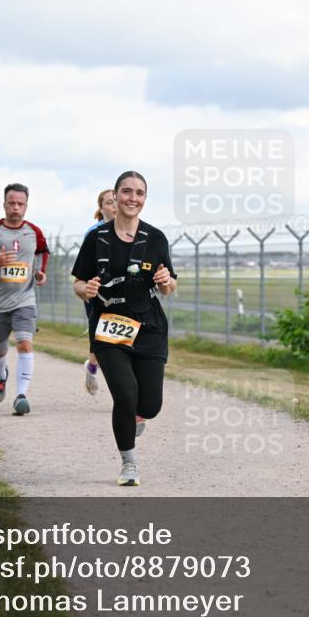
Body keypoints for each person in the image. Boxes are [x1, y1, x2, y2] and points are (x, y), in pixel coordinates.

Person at [71, 171, 177, 486]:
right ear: (114, 197)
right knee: (126, 394)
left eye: (139, 193)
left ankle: (137, 417)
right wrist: (85, 289)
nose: (133, 198)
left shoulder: (155, 238)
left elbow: (170, 285)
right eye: (127, 192)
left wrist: (165, 282)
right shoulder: (97, 237)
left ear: (144, 199)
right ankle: (128, 463)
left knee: (150, 405)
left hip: (149, 326)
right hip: (109, 326)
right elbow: (78, 282)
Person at [0, 183, 49, 415]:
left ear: (26, 206)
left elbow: (43, 251)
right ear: (4, 204)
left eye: (20, 204)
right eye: (11, 203)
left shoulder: (34, 231)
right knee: (0, 349)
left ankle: (21, 395)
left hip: (24, 299)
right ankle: (1, 374)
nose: (15, 208)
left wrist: (40, 271)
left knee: (24, 342)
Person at [81, 189, 118, 395]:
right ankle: (93, 367)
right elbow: (84, 268)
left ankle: (123, 393)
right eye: (110, 202)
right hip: (97, 294)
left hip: (123, 294)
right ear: (101, 208)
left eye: (116, 201)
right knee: (103, 339)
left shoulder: (131, 230)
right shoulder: (93, 233)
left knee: (117, 341)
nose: (115, 206)